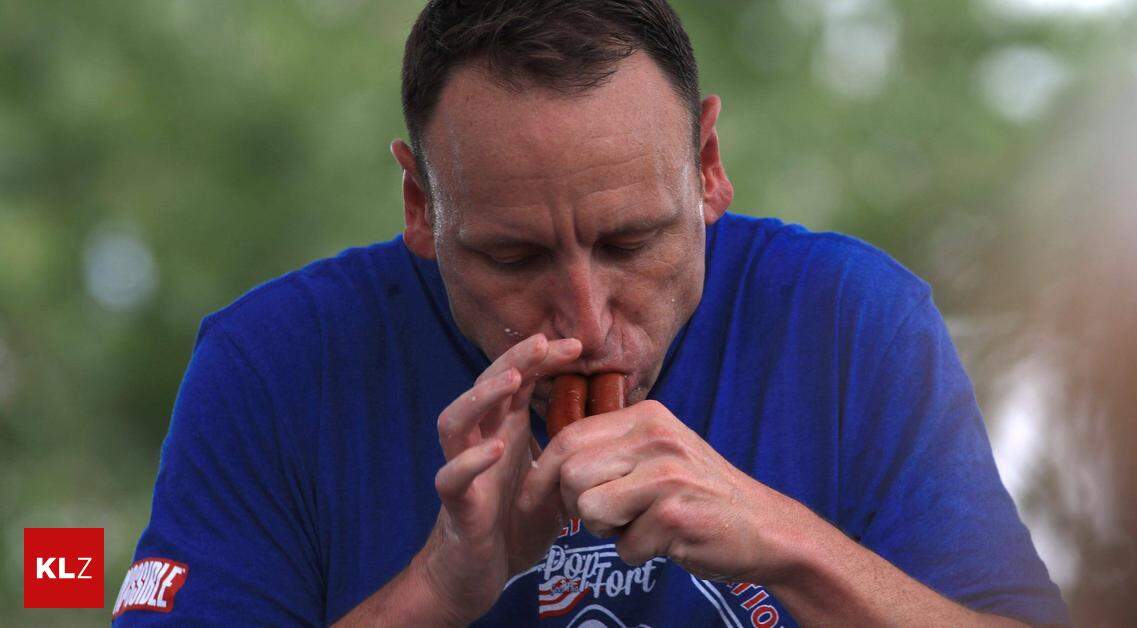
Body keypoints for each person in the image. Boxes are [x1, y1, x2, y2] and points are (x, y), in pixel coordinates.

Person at [113, 1, 1069, 625]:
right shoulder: (273, 366)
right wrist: (445, 583)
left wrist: (789, 543)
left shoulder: (852, 323)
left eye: (630, 243)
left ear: (707, 167)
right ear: (419, 206)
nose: (585, 323)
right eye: (513, 256)